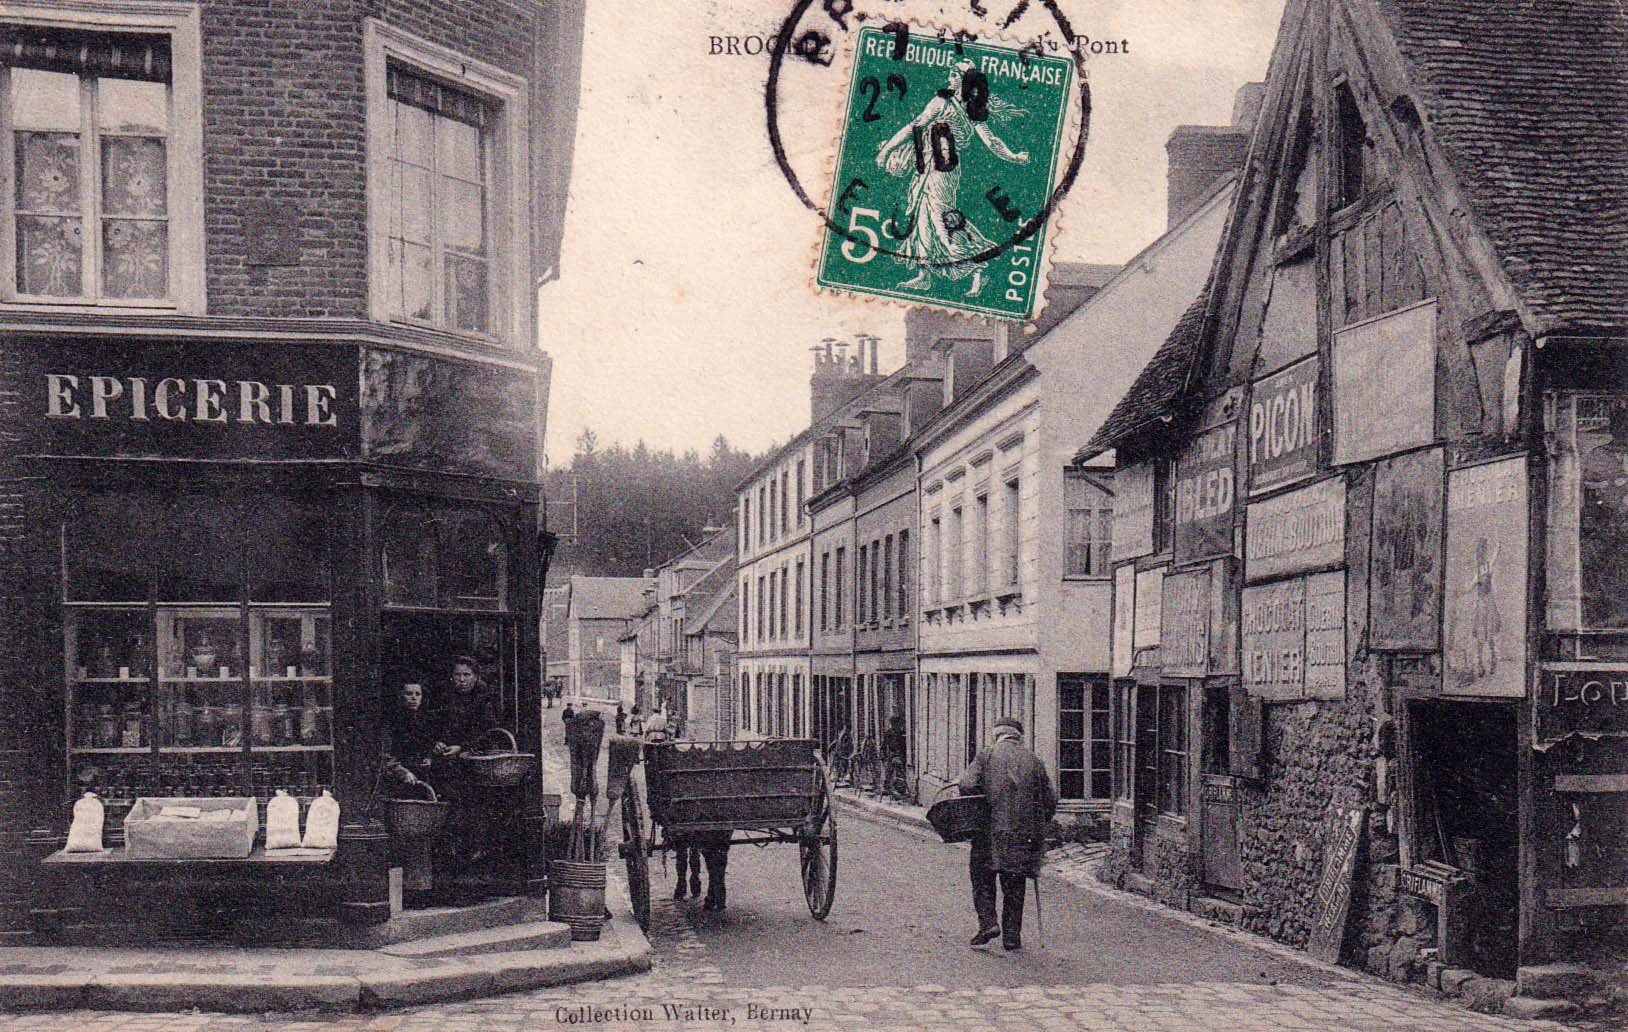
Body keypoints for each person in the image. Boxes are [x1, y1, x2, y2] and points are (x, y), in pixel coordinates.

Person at [874, 61, 1030, 298]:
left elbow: (991, 141)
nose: (950, 74)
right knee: (923, 217)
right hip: (927, 166)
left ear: (965, 81)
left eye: (956, 73)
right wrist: (887, 150)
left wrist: (1014, 156)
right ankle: (924, 275)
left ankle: (978, 267)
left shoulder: (969, 110)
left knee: (939, 219)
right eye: (952, 71)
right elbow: (915, 126)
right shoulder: (941, 101)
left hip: (944, 170)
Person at [959, 716, 1056, 951]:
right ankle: (1012, 937)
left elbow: (967, 785)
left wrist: (981, 801)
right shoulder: (1034, 760)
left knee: (982, 877)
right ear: (1018, 737)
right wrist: (1037, 824)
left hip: (988, 831)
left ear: (996, 735)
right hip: (1022, 834)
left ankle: (988, 923)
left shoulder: (987, 755)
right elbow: (1050, 801)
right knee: (1015, 883)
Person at [382, 682, 436, 795]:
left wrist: (429, 758)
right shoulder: (391, 723)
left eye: (418, 694)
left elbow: (429, 746)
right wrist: (403, 772)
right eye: (409, 694)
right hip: (397, 778)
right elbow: (385, 755)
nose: (413, 698)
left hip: (421, 778)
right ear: (401, 696)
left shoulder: (426, 722)